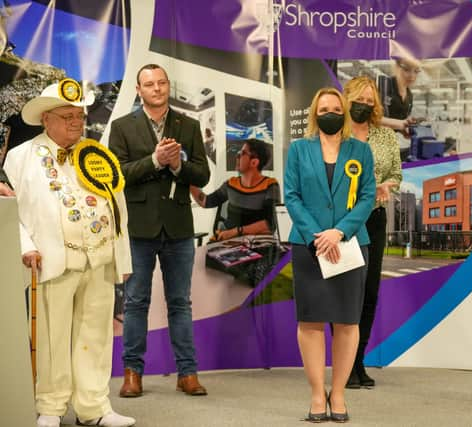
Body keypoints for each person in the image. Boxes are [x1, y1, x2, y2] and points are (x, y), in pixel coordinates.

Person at [3, 80, 135, 427]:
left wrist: (122, 257)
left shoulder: (95, 154)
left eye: (80, 115)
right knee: (52, 338)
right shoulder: (20, 157)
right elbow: (10, 211)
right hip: (51, 262)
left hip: (99, 260)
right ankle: (51, 406)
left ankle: (94, 407)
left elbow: (117, 208)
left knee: (96, 336)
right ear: (46, 118)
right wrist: (26, 246)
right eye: (68, 116)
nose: (77, 122)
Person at [109, 64, 211, 398]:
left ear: (169, 86)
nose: (156, 88)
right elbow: (118, 175)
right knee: (136, 302)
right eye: (149, 84)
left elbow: (203, 175)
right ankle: (132, 373)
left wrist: (178, 165)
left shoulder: (189, 125)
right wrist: (155, 160)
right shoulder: (123, 127)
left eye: (162, 82)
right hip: (138, 228)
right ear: (138, 90)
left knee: (180, 302)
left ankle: (188, 373)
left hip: (179, 227)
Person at [284, 87, 376, 422]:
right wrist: (317, 235)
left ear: (345, 111)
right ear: (314, 113)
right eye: (324, 108)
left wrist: (340, 231)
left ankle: (337, 394)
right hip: (309, 247)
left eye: (336, 107)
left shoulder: (361, 151)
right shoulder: (298, 150)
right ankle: (316, 395)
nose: (331, 112)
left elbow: (368, 197)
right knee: (309, 322)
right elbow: (291, 196)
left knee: (347, 322)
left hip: (349, 245)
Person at [342, 76, 402, 389]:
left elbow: (396, 173)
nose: (364, 105)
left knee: (369, 293)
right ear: (346, 99)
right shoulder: (333, 133)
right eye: (359, 100)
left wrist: (386, 186)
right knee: (345, 293)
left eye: (369, 101)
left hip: (374, 221)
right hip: (341, 222)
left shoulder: (386, 136)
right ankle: (345, 363)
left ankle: (358, 361)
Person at [190, 138, 280, 241]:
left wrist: (236, 232)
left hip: (254, 244)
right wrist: (187, 180)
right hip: (227, 242)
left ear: (254, 162)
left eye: (242, 153)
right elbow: (206, 201)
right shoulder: (231, 183)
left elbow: (269, 225)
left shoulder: (270, 185)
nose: (237, 157)